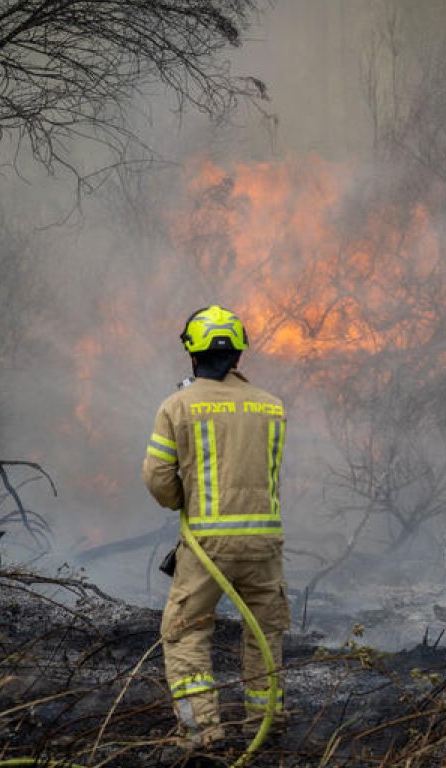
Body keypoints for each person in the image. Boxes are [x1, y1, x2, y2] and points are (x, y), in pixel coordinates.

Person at [142, 305, 290, 750]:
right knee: (265, 634)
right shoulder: (271, 405)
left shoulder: (177, 406)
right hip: (265, 543)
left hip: (208, 545)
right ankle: (266, 723)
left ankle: (204, 734)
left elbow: (158, 479)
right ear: (238, 357)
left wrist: (184, 503)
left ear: (192, 354)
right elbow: (265, 471)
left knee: (186, 633)